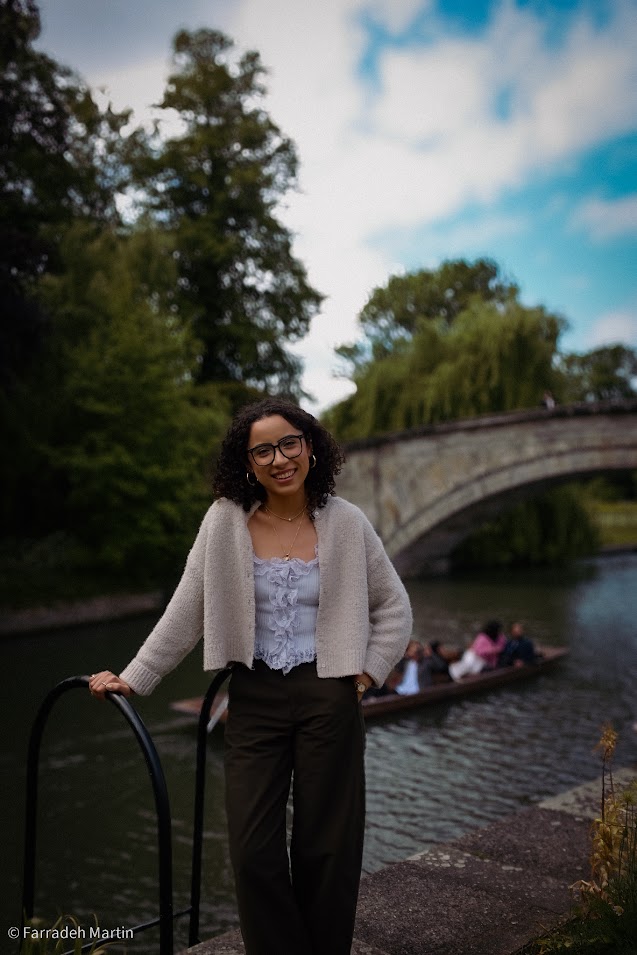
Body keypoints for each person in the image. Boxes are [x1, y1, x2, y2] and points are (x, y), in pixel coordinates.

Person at [88, 397, 412, 955]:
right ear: (247, 461)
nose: (279, 458)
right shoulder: (224, 521)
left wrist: (365, 674)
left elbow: (395, 608)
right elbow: (187, 608)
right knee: (252, 849)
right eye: (262, 450)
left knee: (327, 847)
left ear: (311, 447)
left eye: (289, 443)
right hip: (254, 697)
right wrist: (135, 676)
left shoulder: (347, 522)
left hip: (329, 696)